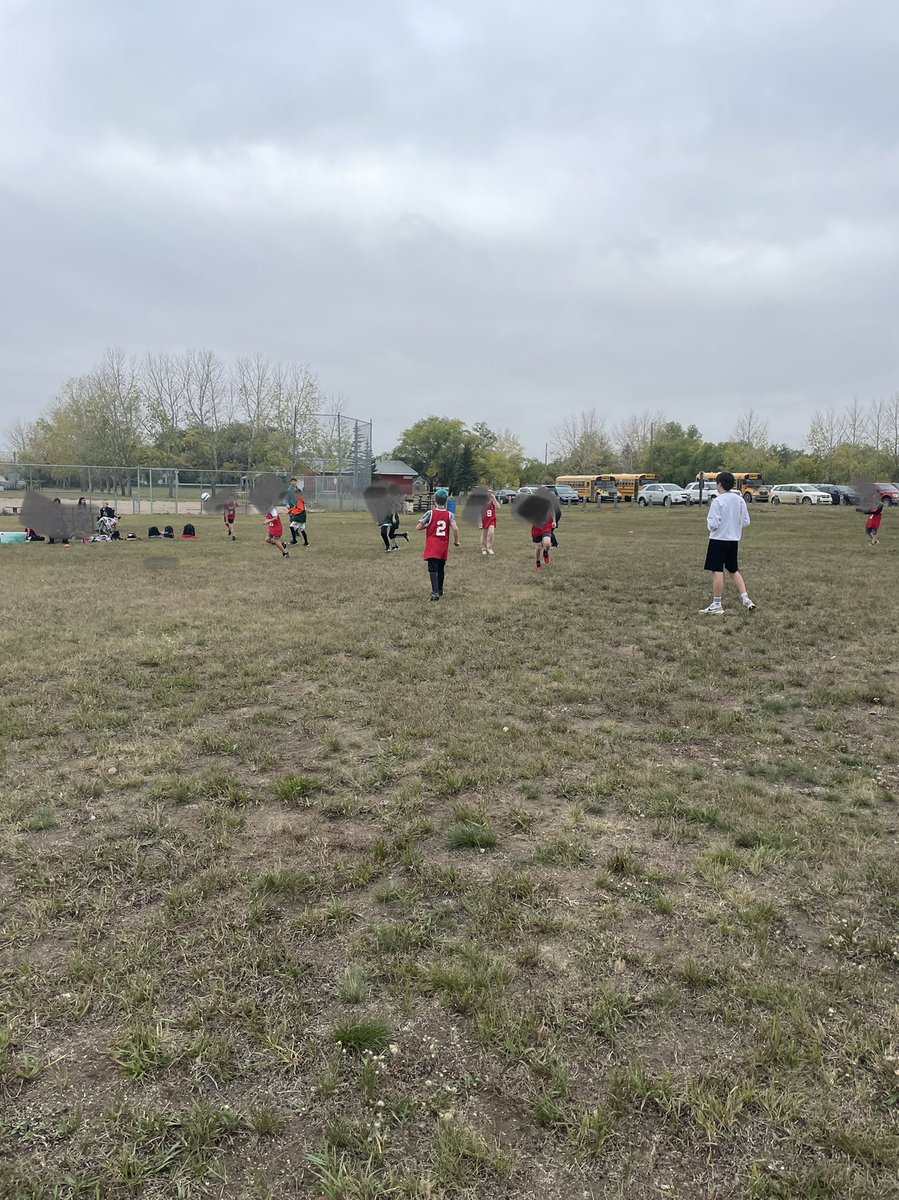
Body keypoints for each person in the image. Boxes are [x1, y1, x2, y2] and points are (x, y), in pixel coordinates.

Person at [701, 472, 756, 614]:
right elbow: (746, 521)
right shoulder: (740, 500)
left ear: (719, 484)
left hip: (718, 540)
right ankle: (746, 598)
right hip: (733, 541)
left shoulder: (718, 501)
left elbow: (713, 524)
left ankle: (717, 604)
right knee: (733, 570)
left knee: (717, 571)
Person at [415, 487, 460, 600]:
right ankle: (440, 590)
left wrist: (427, 526)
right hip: (443, 546)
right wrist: (456, 541)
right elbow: (455, 528)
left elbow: (418, 527)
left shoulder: (430, 513)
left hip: (432, 545)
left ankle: (435, 592)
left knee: (433, 569)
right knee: (441, 568)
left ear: (435, 500)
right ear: (446, 502)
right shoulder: (449, 515)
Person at [480, 490, 498, 555]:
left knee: (491, 532)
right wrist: (480, 522)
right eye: (488, 492)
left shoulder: (493, 501)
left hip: (491, 520)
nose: (489, 493)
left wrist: (494, 498)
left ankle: (489, 547)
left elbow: (498, 507)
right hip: (484, 520)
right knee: (484, 535)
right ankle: (484, 548)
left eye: (491, 492)